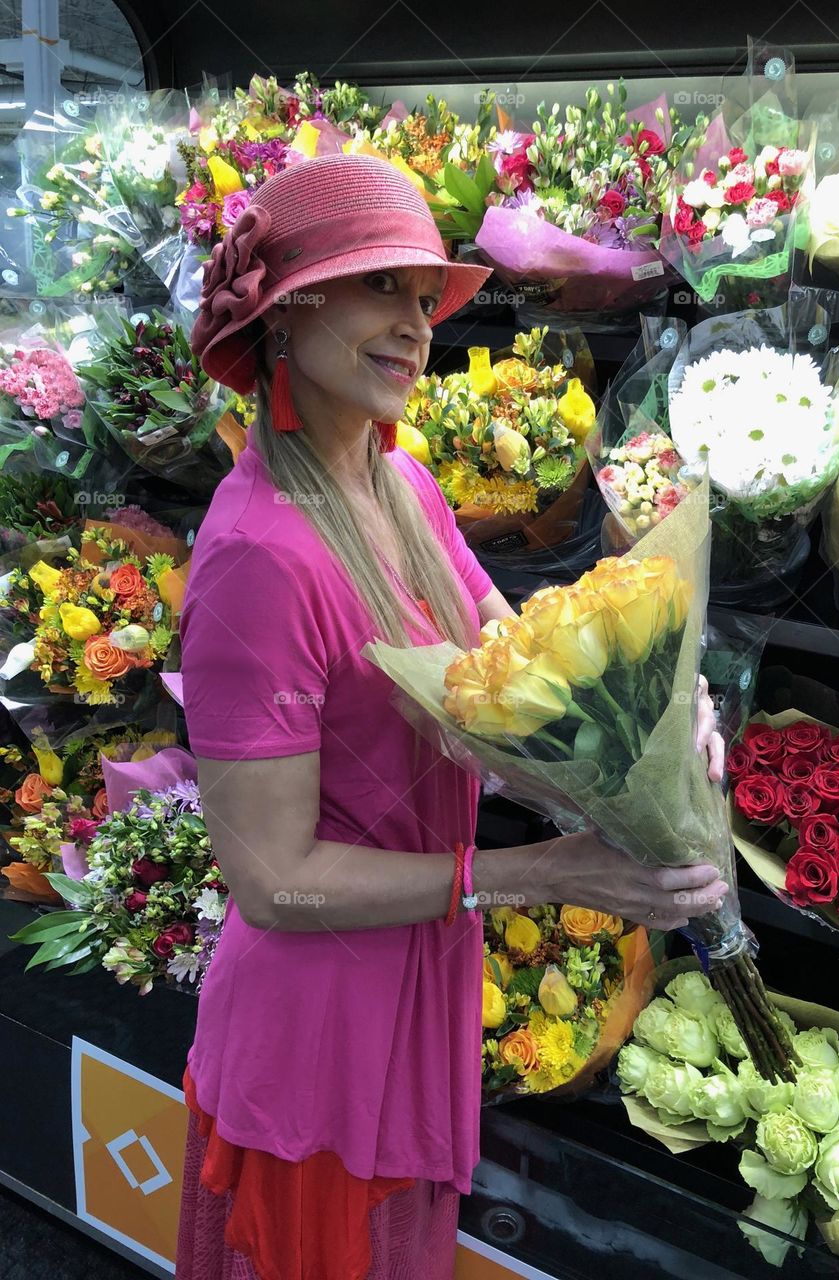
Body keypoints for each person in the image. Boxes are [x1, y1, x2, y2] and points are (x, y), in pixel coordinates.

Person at [174, 152, 727, 1280]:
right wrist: (536, 871)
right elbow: (271, 879)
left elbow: (512, 675)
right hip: (317, 1035)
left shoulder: (403, 483)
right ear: (287, 311)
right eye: (383, 285)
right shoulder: (256, 557)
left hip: (414, 978)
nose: (416, 325)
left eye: (426, 299)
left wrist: (652, 709)